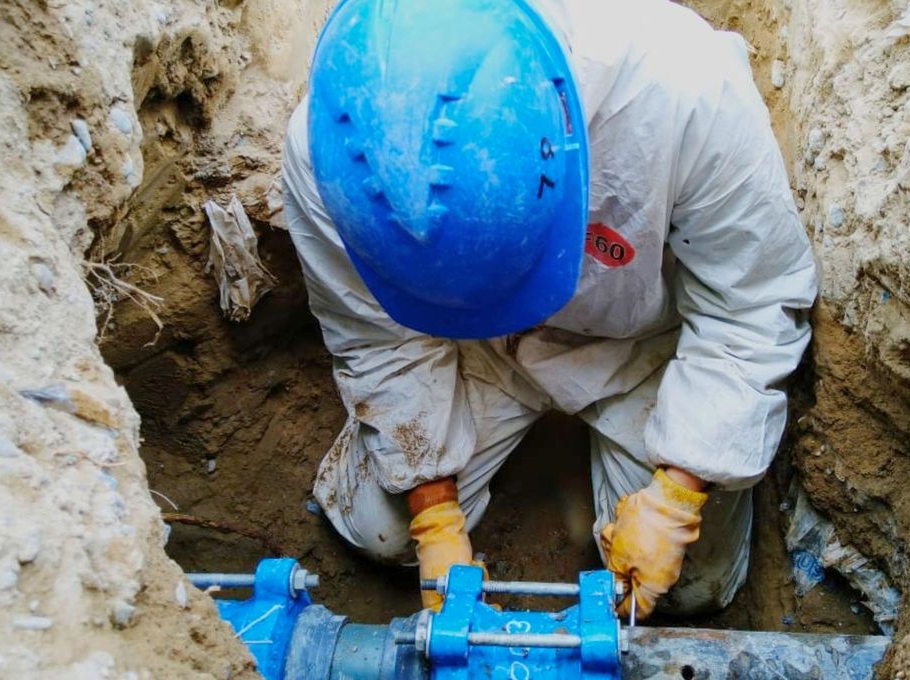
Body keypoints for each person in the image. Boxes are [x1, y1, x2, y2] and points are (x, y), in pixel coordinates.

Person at [281, 0, 817, 619]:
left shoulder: (683, 95)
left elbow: (749, 304)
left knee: (689, 585)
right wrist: (432, 517)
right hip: (467, 347)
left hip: (641, 344)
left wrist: (677, 497)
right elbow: (376, 335)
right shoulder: (334, 161)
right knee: (382, 529)